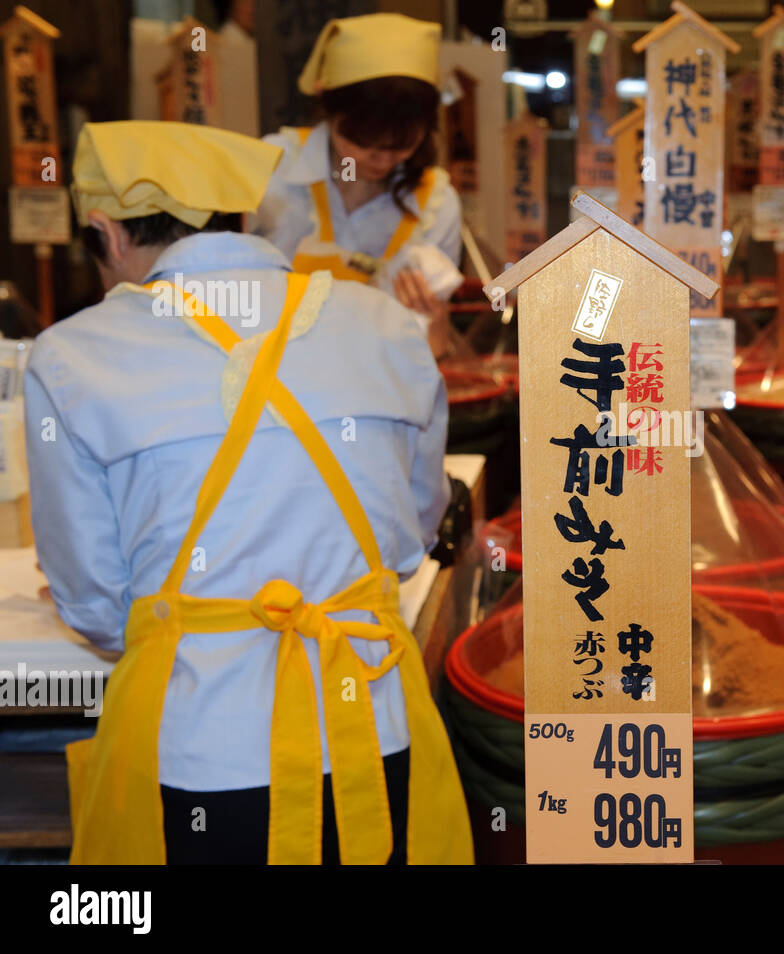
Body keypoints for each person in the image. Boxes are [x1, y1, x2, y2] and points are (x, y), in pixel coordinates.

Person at [24, 120, 472, 864]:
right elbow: (406, 543)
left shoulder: (71, 356)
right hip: (374, 731)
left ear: (104, 231)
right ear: (239, 215)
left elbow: (99, 609)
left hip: (201, 754)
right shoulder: (389, 326)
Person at [252, 13, 462, 354]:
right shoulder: (273, 168)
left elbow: (429, 349)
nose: (381, 160)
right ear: (329, 111)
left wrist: (429, 325)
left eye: (402, 146)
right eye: (363, 142)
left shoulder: (436, 203)